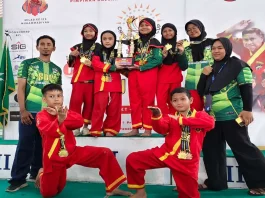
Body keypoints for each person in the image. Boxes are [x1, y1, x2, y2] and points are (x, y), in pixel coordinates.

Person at [35, 84, 132, 198]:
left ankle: (113, 188)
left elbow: (79, 122)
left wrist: (61, 116)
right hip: (54, 159)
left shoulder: (66, 112)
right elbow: (51, 132)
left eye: (59, 95)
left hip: (72, 152)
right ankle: (42, 172)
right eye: (51, 96)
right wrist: (60, 120)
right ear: (44, 99)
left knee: (104, 153)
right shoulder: (41, 116)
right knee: (50, 193)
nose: (56, 99)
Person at [197, 37, 265, 196]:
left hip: (233, 115)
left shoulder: (238, 65)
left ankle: (261, 183)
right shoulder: (211, 69)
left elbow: (246, 87)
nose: (216, 51)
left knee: (244, 149)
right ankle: (216, 183)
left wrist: (247, 109)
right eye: (213, 48)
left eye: (220, 48)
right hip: (212, 118)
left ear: (227, 49)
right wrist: (203, 75)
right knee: (211, 151)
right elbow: (201, 92)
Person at [126, 87, 214, 198]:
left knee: (190, 195)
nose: (179, 103)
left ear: (191, 100)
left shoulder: (200, 115)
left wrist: (181, 120)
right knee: (133, 159)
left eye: (182, 99)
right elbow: (161, 129)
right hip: (166, 154)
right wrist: (157, 116)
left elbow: (210, 123)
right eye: (175, 100)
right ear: (171, 103)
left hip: (186, 162)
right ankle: (140, 193)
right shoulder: (170, 117)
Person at [6, 35, 62, 192]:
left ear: (54, 48)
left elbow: (57, 93)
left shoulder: (57, 69)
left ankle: (36, 173)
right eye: (42, 44)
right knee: (25, 144)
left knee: (43, 146)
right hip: (29, 112)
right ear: (37, 47)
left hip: (49, 114)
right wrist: (22, 110)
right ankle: (17, 179)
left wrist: (56, 112)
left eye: (48, 44)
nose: (45, 46)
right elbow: (21, 88)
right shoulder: (27, 64)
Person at [123, 18, 163, 137]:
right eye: (141, 25)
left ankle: (147, 129)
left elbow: (158, 59)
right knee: (134, 100)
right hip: (134, 73)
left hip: (148, 72)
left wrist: (141, 67)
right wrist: (128, 65)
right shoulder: (135, 42)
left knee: (148, 101)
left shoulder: (155, 41)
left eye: (147, 25)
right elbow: (130, 57)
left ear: (153, 27)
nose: (144, 27)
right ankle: (135, 128)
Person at [217, 20, 265, 111]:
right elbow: (223, 38)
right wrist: (235, 28)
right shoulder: (242, 46)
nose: (249, 42)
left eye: (252, 39)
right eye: (246, 40)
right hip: (246, 89)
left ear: (262, 37)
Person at [68, 23, 100, 136]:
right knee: (75, 104)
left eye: (91, 31)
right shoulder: (76, 47)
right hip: (78, 80)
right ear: (82, 33)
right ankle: (75, 126)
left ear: (96, 33)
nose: (88, 33)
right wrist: (72, 55)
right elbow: (70, 64)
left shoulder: (98, 47)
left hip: (92, 80)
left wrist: (91, 64)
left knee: (89, 104)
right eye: (86, 31)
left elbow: (100, 64)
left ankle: (86, 126)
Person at [89, 30, 123, 136]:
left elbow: (122, 66)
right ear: (101, 40)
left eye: (110, 39)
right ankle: (95, 129)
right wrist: (111, 67)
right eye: (104, 39)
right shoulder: (97, 51)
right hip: (101, 82)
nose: (107, 41)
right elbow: (95, 64)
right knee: (99, 107)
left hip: (115, 82)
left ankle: (110, 129)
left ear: (114, 40)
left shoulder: (119, 51)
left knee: (114, 107)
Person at [157, 23, 188, 115]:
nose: (167, 33)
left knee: (175, 102)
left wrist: (181, 52)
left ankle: (174, 124)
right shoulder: (158, 47)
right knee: (161, 103)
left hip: (175, 79)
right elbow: (155, 65)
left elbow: (184, 66)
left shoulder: (180, 46)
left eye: (170, 30)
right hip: (161, 80)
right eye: (165, 31)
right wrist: (162, 57)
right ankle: (164, 124)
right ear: (161, 34)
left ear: (175, 32)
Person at [184, 19, 214, 111]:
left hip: (209, 81)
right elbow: (182, 65)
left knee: (209, 110)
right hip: (192, 83)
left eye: (194, 28)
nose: (192, 31)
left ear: (200, 27)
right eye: (189, 30)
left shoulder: (212, 42)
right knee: (194, 111)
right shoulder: (186, 47)